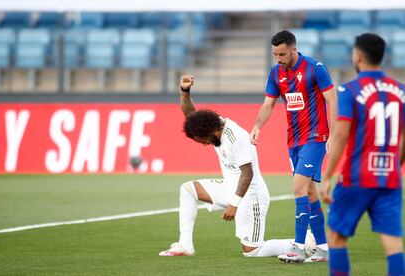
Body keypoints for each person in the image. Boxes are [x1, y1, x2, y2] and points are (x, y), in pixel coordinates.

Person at [159, 75, 315, 257]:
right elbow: (192, 117)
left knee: (252, 252)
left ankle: (304, 242)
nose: (204, 144)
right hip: (230, 187)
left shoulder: (236, 137)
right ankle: (185, 245)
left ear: (209, 132)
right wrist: (185, 92)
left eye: (203, 140)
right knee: (188, 190)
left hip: (251, 195)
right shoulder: (213, 125)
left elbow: (247, 173)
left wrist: (233, 205)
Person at [321, 33, 405, 275]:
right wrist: (395, 166)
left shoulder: (349, 90)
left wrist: (327, 177)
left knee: (336, 237)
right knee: (393, 242)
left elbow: (340, 135)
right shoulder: (401, 91)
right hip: (390, 179)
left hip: (356, 178)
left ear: (357, 56)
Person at [250, 30, 336, 263]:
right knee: (309, 192)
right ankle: (324, 249)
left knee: (298, 188)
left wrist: (334, 134)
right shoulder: (276, 73)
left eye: (283, 54)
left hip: (315, 137)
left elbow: (332, 99)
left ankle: (298, 247)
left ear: (294, 49)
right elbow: (269, 103)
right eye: (275, 54)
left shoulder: (315, 68)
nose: (278, 58)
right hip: (293, 140)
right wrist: (258, 125)